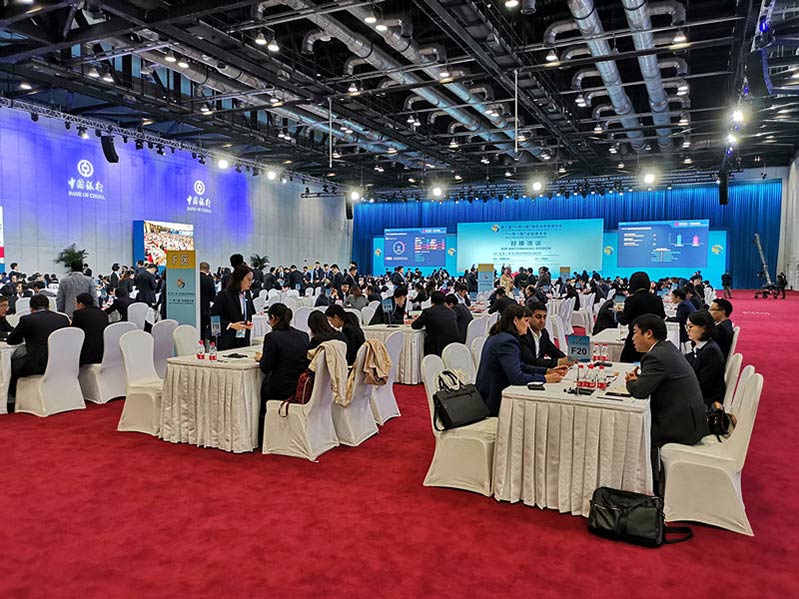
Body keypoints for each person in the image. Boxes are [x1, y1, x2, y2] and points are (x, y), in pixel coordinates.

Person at [625, 314, 709, 488]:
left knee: (630, 430)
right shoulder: (667, 348)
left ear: (648, 334)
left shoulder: (655, 356)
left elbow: (640, 391)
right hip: (692, 419)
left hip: (679, 426)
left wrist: (631, 382)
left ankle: (639, 484)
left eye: (634, 333)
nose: (632, 338)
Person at [475, 304, 566, 416]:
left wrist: (547, 371)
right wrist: (545, 379)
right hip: (494, 400)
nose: (528, 325)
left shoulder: (501, 336)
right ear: (515, 320)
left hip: (489, 392)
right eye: (526, 321)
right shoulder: (507, 342)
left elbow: (520, 365)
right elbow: (516, 377)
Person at [255, 303, 310, 440]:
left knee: (257, 391)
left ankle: (260, 435)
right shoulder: (303, 336)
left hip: (280, 388)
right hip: (299, 385)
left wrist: (262, 358)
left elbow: (265, 368)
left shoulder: (272, 338)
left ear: (273, 318)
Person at [7, 294, 70, 412]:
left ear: (31, 308)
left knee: (11, 364)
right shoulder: (63, 319)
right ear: (49, 306)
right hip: (61, 363)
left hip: (38, 365)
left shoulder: (27, 320)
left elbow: (12, 340)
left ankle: (12, 398)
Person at [617, 271, 666, 362]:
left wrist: (618, 313)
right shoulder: (657, 299)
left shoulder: (631, 300)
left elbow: (624, 320)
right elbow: (662, 317)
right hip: (653, 340)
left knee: (627, 366)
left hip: (635, 339)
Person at [684, 310, 726, 407]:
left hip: (706, 402)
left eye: (690, 327)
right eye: (687, 327)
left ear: (704, 328)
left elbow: (704, 386)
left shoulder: (711, 352)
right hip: (700, 395)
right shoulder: (702, 346)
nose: (687, 330)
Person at [211, 264, 256, 350]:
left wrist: (248, 322)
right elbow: (214, 317)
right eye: (248, 280)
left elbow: (249, 313)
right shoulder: (225, 295)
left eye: (252, 280)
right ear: (240, 279)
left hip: (243, 338)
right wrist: (230, 325)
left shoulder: (247, 294)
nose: (251, 283)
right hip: (227, 339)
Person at [410, 291, 461, 357]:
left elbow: (415, 325)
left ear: (431, 301)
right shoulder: (452, 312)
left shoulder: (428, 312)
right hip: (453, 346)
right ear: (444, 301)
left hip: (435, 348)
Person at [519, 302, 569, 368]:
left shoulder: (543, 333)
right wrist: (558, 362)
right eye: (538, 317)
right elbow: (530, 361)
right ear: (528, 318)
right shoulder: (523, 335)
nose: (542, 321)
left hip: (539, 371)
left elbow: (553, 351)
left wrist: (567, 359)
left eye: (544, 317)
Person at [71, 292, 109, 366]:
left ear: (80, 304)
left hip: (87, 355)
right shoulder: (103, 313)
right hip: (103, 352)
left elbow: (74, 332)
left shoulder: (79, 313)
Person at [199, 261, 216, 340]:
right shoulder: (209, 280)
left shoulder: (192, 278)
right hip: (204, 310)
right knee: (202, 332)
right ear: (208, 270)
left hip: (191, 309)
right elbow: (213, 297)